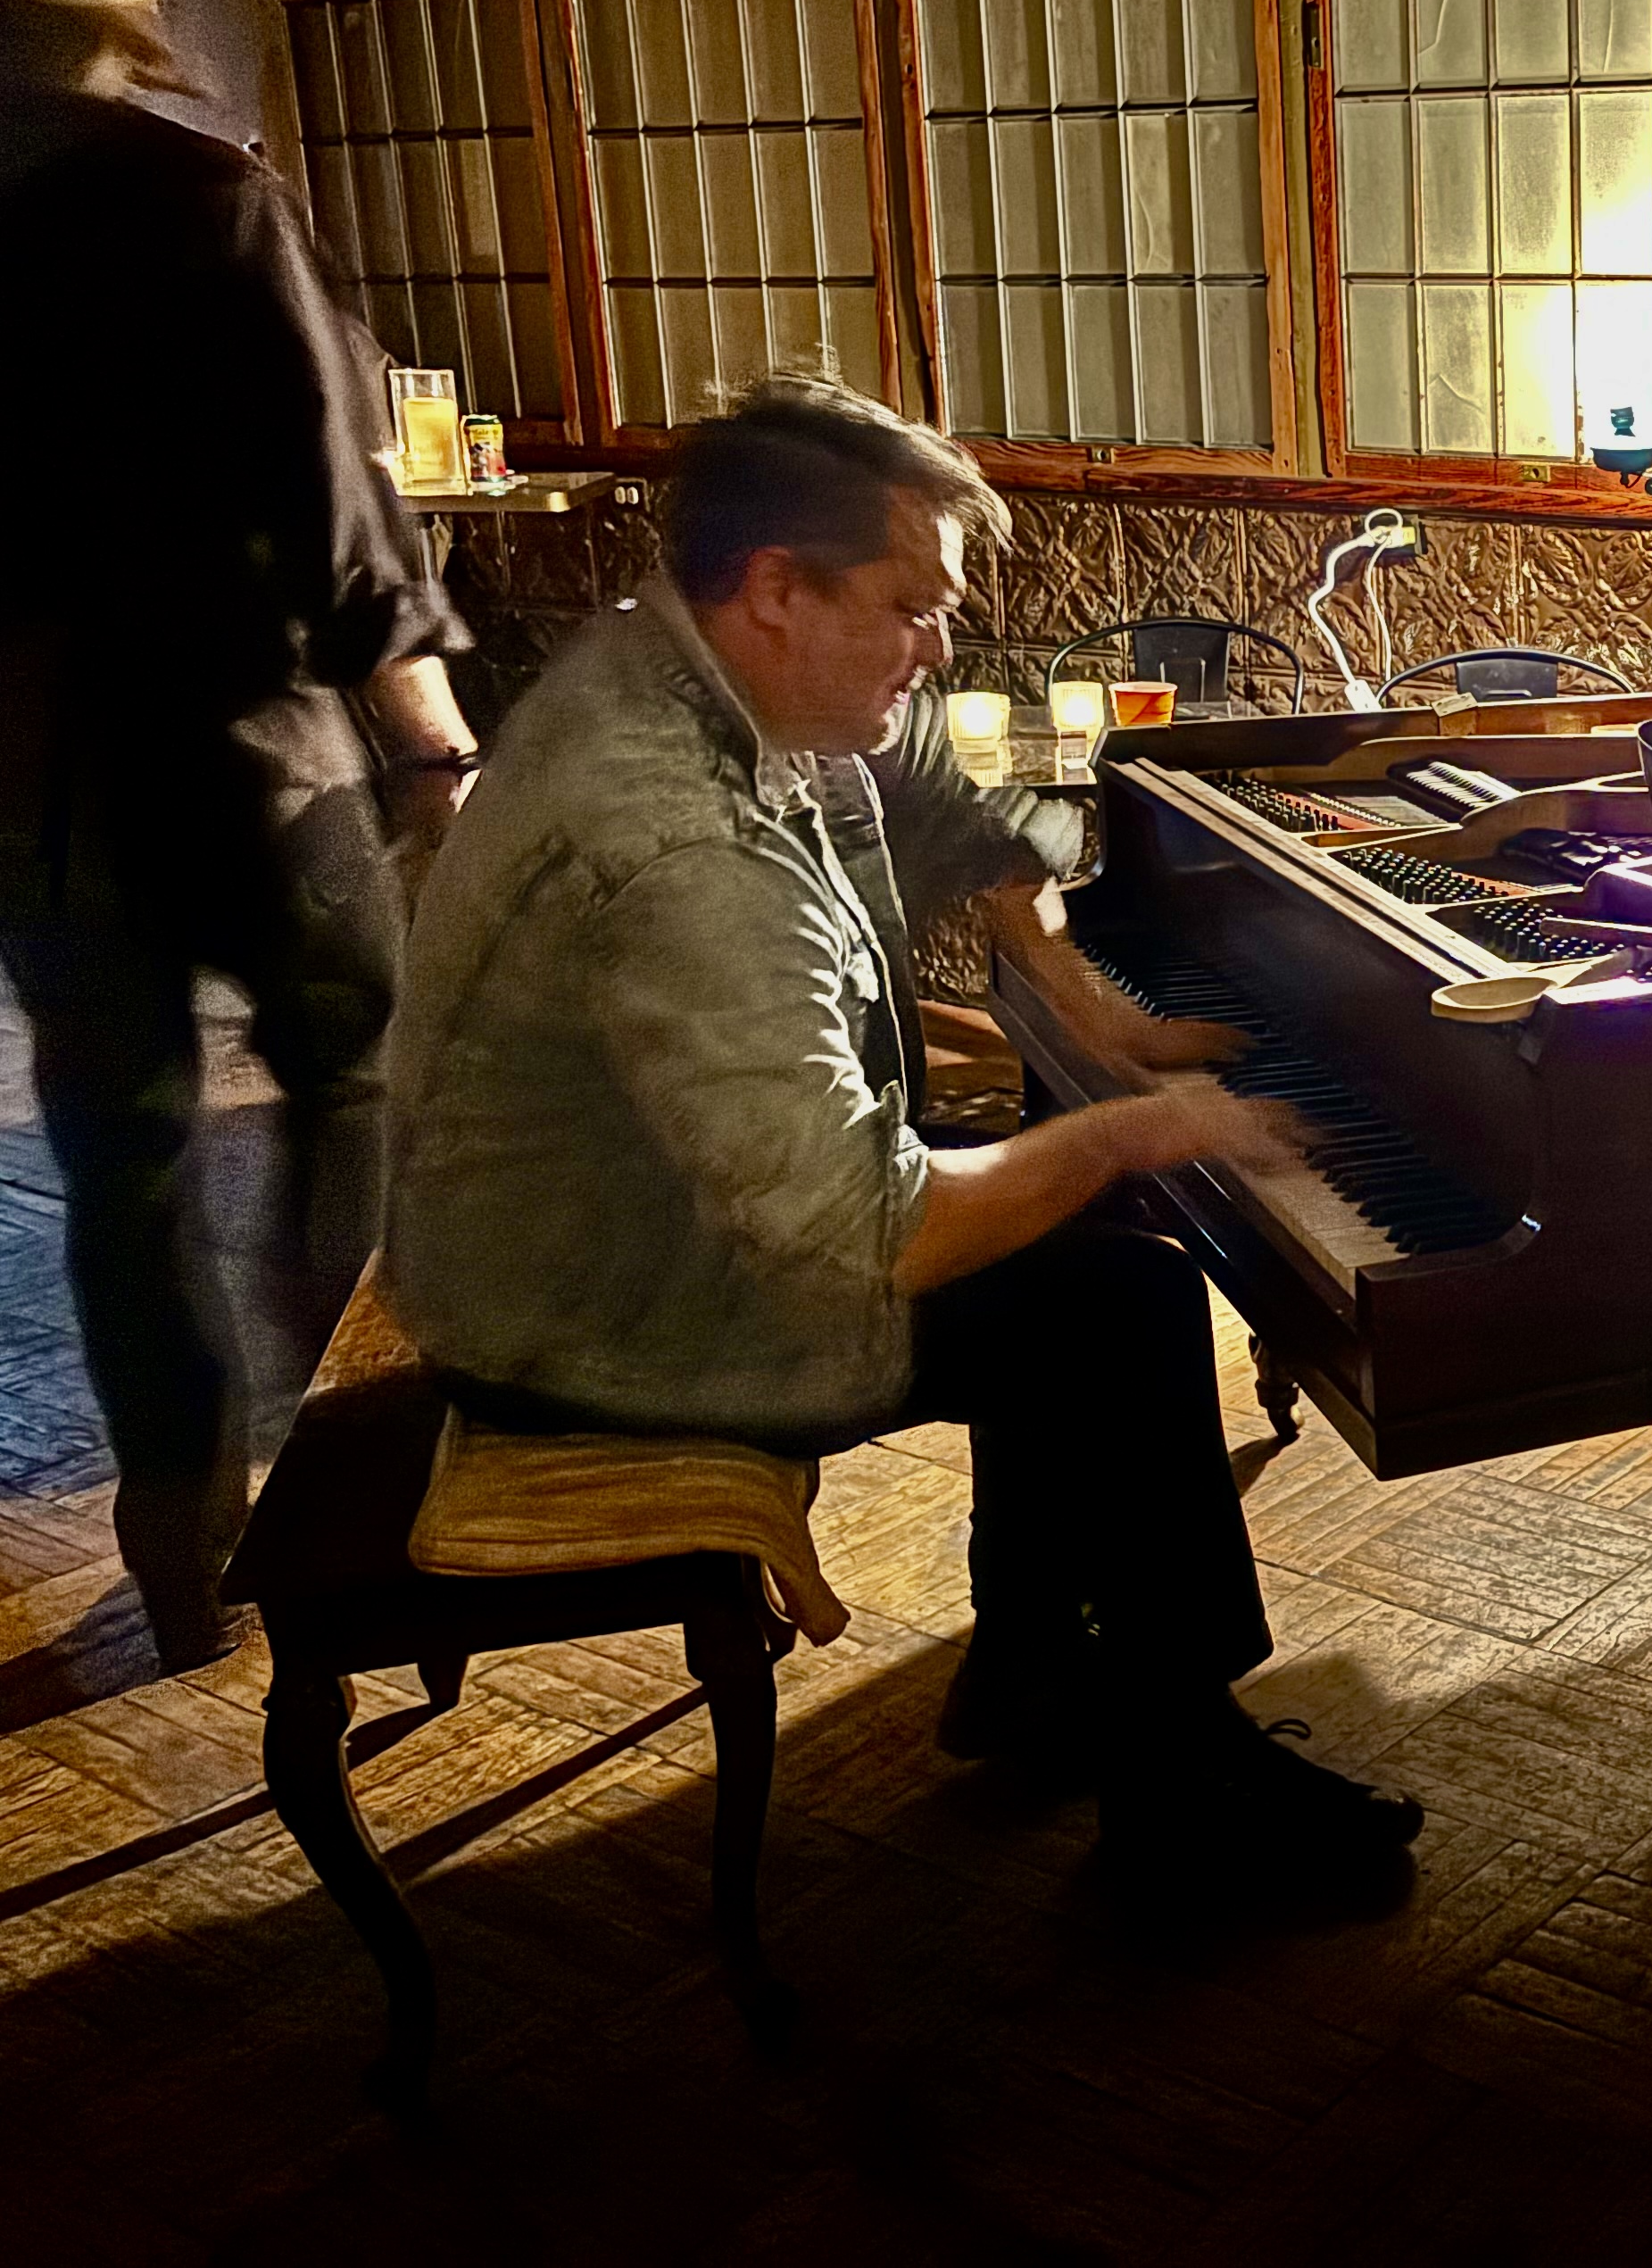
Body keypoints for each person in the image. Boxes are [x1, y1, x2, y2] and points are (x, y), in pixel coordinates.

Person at [380, 378, 1420, 1892]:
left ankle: (1038, 1661)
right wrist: (1136, 1128)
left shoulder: (715, 665)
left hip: (621, 1211)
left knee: (1085, 1263)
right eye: (908, 603)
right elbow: (877, 1230)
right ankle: (1176, 1778)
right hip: (588, 1301)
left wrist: (1068, 975)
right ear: (777, 589)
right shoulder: (672, 834)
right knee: (1114, 1297)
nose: (935, 644)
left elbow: (953, 797)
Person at [0, 0, 477, 1666]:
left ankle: (177, 1520)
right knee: (359, 1080)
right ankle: (335, 1468)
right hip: (246, 763)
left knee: (116, 1158)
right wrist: (435, 743)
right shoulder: (200, 198)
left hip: (36, 797)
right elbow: (339, 514)